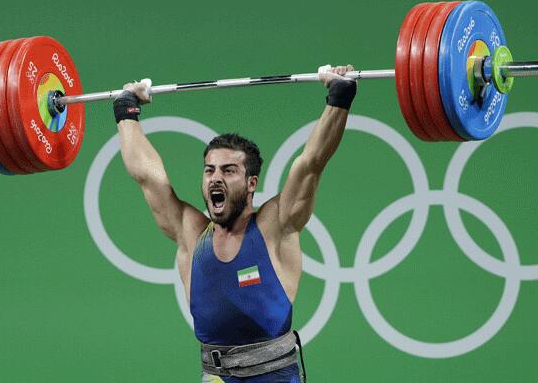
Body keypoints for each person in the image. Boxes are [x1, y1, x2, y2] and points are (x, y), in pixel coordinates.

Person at [113, 65, 357, 383]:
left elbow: (311, 162)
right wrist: (126, 110)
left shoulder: (275, 227)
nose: (216, 178)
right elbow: (147, 175)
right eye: (209, 170)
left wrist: (338, 96)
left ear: (251, 182)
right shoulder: (191, 233)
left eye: (228, 171)